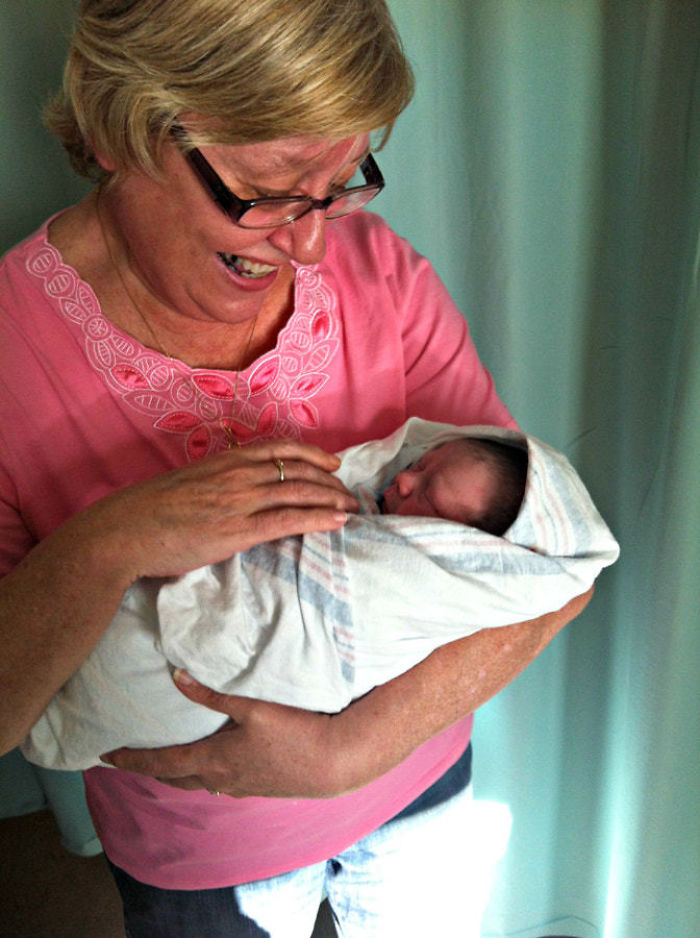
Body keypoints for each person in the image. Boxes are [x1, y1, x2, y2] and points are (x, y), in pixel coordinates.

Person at [0, 2, 593, 935]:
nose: (312, 244)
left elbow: (554, 568)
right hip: (197, 855)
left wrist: (353, 750)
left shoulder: (380, 274)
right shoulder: (11, 355)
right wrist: (117, 540)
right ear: (121, 130)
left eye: (341, 180)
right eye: (269, 188)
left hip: (420, 781)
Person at [22, 418, 619, 774]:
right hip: (198, 838)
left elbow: (567, 592)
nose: (404, 478)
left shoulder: (445, 578)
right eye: (423, 462)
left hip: (412, 781)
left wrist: (348, 752)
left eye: (428, 499)